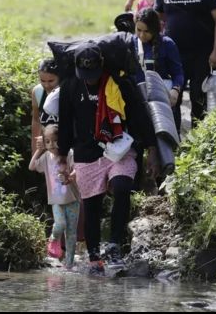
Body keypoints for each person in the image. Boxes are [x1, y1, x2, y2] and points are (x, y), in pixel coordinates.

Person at [57, 42, 157, 273]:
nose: (90, 79)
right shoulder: (71, 85)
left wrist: (152, 148)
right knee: (91, 205)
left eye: (94, 74)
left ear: (102, 67)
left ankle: (113, 245)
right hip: (86, 152)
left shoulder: (119, 84)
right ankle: (94, 257)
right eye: (86, 75)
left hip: (119, 147)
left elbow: (140, 114)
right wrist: (62, 155)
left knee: (122, 187)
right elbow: (65, 122)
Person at [155, 0, 216, 127]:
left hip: (201, 53)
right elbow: (157, 20)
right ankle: (174, 140)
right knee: (172, 97)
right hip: (173, 54)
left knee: (198, 96)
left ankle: (199, 139)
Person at [29, 124, 80, 269]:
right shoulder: (46, 157)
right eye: (48, 141)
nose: (52, 145)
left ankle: (69, 264)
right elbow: (32, 166)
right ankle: (53, 239)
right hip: (56, 201)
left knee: (71, 233)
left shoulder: (69, 153)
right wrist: (39, 150)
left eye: (55, 140)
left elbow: (77, 169)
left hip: (73, 200)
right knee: (60, 224)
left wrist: (70, 176)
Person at [133, 8, 184, 132]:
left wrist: (175, 90)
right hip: (139, 98)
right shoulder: (131, 43)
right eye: (138, 30)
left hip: (162, 97)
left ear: (155, 29)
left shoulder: (167, 44)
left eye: (146, 31)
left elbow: (178, 73)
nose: (141, 35)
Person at [31, 59, 60, 154]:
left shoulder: (66, 92)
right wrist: (35, 151)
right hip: (47, 148)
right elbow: (36, 121)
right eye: (42, 81)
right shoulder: (37, 91)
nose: (47, 85)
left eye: (51, 81)